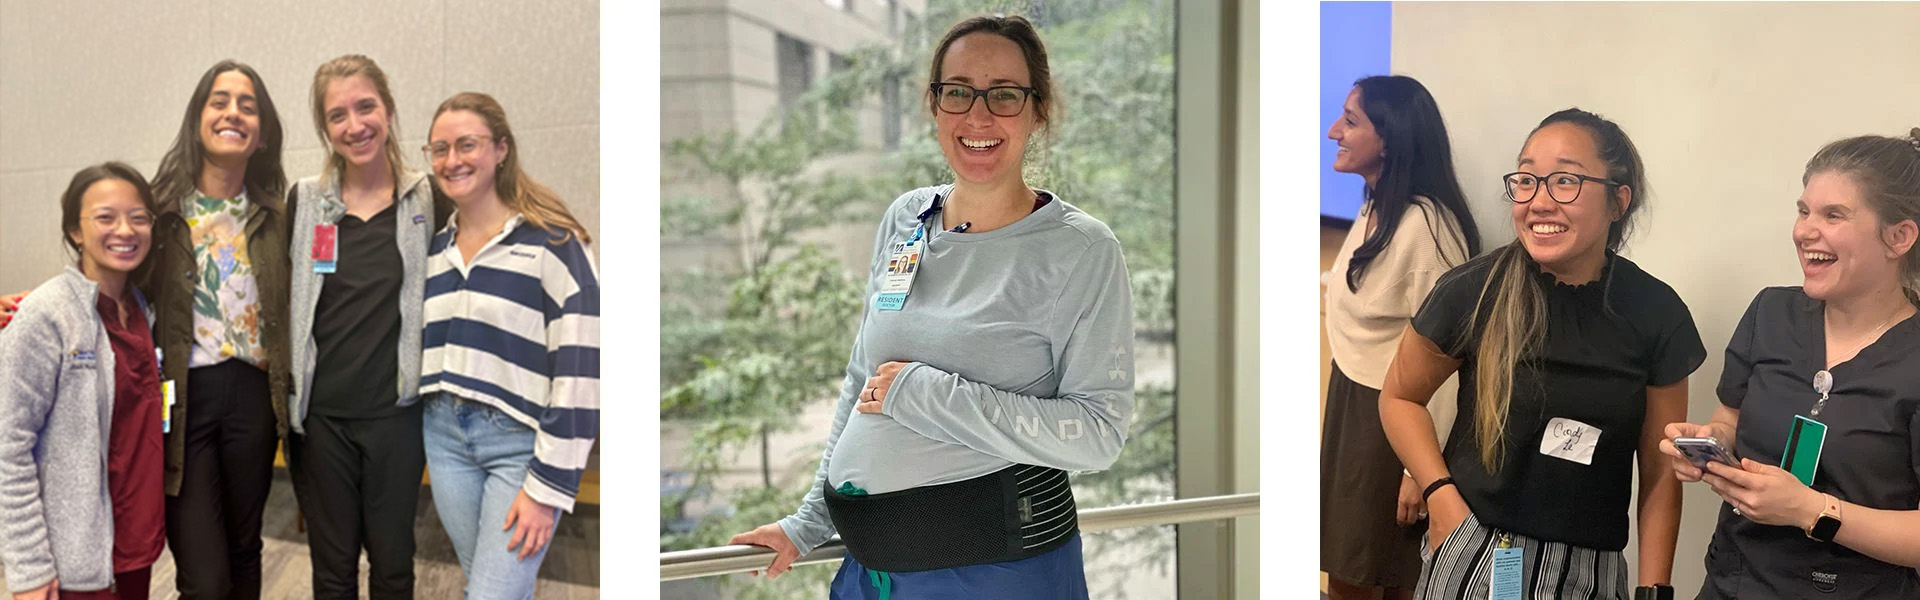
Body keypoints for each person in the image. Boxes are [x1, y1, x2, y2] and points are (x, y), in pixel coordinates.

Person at [728, 15, 1136, 599]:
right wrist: (811, 521)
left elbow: (1098, 433)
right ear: (934, 105)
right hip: (871, 572)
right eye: (958, 92)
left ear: (1038, 110)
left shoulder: (1081, 250)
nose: (978, 116)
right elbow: (861, 382)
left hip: (997, 577)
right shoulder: (907, 218)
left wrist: (925, 393)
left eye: (1004, 95)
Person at [1379, 108, 1702, 600]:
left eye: (1565, 181)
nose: (1539, 202)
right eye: (1526, 180)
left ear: (1618, 201)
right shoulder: (1473, 290)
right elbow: (1399, 398)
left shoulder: (1657, 313)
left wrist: (1654, 588)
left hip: (1591, 572)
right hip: (1480, 550)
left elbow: (1659, 471)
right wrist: (1439, 494)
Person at [1661, 129, 1920, 597]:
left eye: (1833, 215)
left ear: (1899, 237)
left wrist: (1811, 511)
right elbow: (1731, 419)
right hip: (1735, 582)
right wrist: (1709, 443)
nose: (1804, 231)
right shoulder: (1770, 314)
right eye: (1803, 211)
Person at [418, 91, 599, 598]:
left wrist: (547, 489)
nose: (452, 160)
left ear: (500, 149)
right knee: (488, 585)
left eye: (467, 144)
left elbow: (582, 372)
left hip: (518, 445)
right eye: (439, 149)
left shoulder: (556, 243)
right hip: (444, 436)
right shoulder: (435, 250)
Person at [284, 54, 443, 599]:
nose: (355, 126)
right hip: (322, 419)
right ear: (325, 129)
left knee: (394, 566)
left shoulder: (426, 197)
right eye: (337, 115)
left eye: (365, 107)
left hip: (396, 415)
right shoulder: (305, 201)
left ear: (390, 111)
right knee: (332, 572)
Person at [1320, 74, 1481, 600]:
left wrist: (1420, 471)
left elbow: (1455, 360)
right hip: (1357, 405)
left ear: (1388, 137)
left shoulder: (1428, 228)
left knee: (1369, 578)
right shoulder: (1377, 205)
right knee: (1359, 572)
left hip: (1394, 426)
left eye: (1350, 120)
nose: (1332, 132)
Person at [150, 61, 294, 600]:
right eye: (219, 100)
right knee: (204, 578)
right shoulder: (159, 216)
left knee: (243, 548)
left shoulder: (281, 219)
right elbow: (109, 278)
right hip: (184, 399)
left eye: (247, 105)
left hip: (255, 398)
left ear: (261, 135)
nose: (233, 111)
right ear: (197, 121)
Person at [0, 163, 165, 600]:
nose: (125, 230)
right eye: (105, 217)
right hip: (74, 559)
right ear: (75, 230)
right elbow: (7, 446)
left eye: (139, 217)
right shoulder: (46, 315)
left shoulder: (143, 311)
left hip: (135, 543)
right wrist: (30, 568)